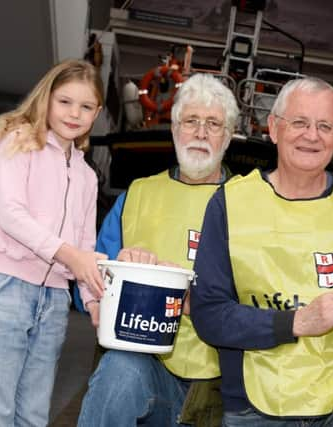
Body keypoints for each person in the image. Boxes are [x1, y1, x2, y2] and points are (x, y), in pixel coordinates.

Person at [191, 77, 333, 426]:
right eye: (300, 123)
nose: (311, 135)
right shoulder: (230, 202)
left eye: (324, 126)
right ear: (274, 128)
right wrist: (297, 322)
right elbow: (209, 315)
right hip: (255, 401)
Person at [77, 73, 240, 427]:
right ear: (174, 129)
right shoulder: (137, 195)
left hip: (224, 384)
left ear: (227, 137)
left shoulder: (252, 202)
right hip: (149, 370)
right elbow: (88, 288)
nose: (200, 133)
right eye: (191, 121)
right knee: (120, 369)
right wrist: (115, 276)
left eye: (213, 124)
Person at [0, 59, 107, 427]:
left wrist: (92, 300)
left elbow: (85, 243)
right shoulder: (17, 142)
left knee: (32, 418)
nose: (74, 114)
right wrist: (69, 255)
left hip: (54, 301)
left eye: (86, 106)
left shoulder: (87, 176)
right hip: (4, 289)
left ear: (98, 112)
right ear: (46, 98)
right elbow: (12, 215)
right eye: (65, 102)